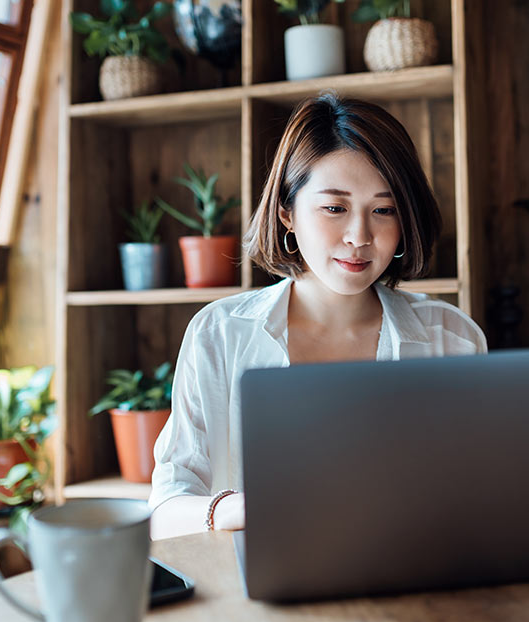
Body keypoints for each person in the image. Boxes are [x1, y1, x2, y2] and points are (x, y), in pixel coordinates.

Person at [148, 93, 487, 539]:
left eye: (384, 210)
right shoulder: (221, 333)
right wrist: (238, 509)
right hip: (263, 589)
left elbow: (479, 495)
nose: (360, 236)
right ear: (287, 212)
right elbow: (165, 508)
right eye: (334, 208)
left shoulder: (452, 337)